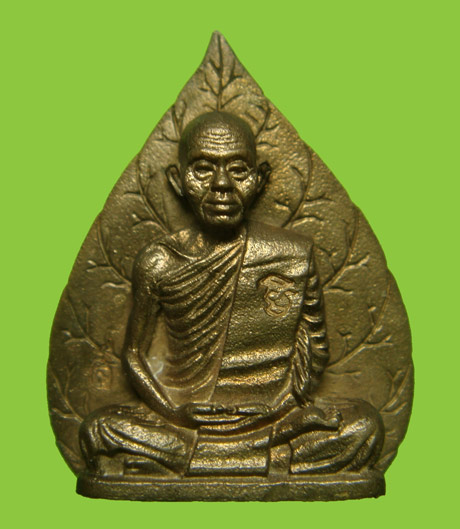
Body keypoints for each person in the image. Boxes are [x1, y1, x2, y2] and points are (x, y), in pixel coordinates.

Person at [80, 111, 383, 477]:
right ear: (178, 180)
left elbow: (314, 351)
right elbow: (133, 355)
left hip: (275, 419)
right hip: (185, 421)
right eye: (203, 169)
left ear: (260, 180)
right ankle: (266, 462)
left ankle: (194, 463)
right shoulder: (159, 261)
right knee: (99, 430)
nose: (222, 184)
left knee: (364, 426)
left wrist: (283, 408)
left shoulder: (292, 254)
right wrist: (174, 411)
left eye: (238, 170)